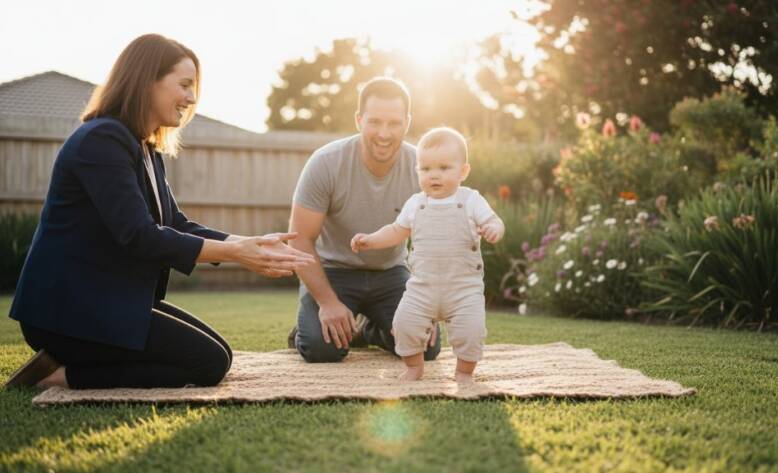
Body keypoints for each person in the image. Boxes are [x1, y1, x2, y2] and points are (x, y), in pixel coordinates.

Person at [4, 34, 314, 390]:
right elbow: (138, 235)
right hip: (66, 312)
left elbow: (175, 224)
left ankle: (73, 364)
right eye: (184, 85)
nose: (192, 98)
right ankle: (62, 375)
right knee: (207, 363)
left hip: (105, 302)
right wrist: (234, 253)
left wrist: (245, 242)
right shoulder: (102, 140)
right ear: (146, 79)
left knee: (219, 353)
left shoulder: (145, 147)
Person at [288, 77, 441, 362]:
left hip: (391, 273)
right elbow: (300, 240)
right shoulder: (326, 163)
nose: (384, 133)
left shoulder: (422, 168)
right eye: (375, 122)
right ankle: (307, 326)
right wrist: (327, 302)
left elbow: (432, 242)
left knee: (425, 345)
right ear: (359, 120)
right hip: (334, 272)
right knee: (322, 348)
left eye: (394, 123)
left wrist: (426, 302)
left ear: (407, 123)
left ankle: (370, 330)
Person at [351, 127, 505, 382]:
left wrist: (493, 229)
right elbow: (395, 231)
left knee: (471, 331)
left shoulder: (471, 200)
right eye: (426, 169)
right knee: (404, 325)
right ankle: (413, 367)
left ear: (463, 171)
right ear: (417, 170)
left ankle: (464, 372)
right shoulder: (415, 203)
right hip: (422, 288)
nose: (434, 175)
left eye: (444, 168)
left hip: (463, 289)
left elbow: (495, 221)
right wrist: (371, 240)